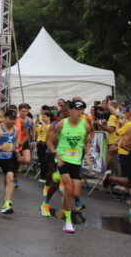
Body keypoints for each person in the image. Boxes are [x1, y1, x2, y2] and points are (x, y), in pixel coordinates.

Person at [46, 100, 92, 234]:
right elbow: (49, 141)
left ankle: (53, 191)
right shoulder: (62, 124)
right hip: (63, 160)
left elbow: (87, 142)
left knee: (76, 194)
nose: (80, 112)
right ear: (70, 110)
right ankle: (68, 222)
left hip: (76, 162)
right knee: (68, 189)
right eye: (77, 109)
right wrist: (56, 154)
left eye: (82, 110)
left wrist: (88, 158)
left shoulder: (85, 125)